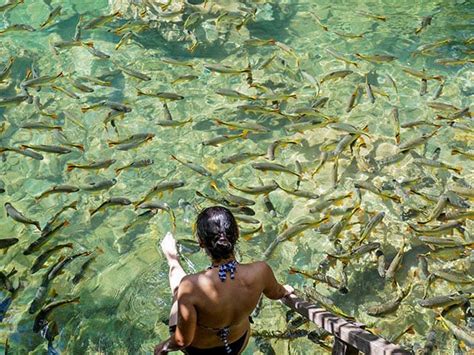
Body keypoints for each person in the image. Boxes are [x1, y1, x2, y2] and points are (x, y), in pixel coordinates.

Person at [154, 206, 294, 354]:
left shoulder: (190, 285)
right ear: (237, 234)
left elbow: (182, 341)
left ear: (201, 242)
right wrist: (286, 290)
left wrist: (162, 348)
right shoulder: (261, 272)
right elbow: (277, 293)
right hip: (237, 343)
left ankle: (172, 258)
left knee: (180, 291)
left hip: (199, 350)